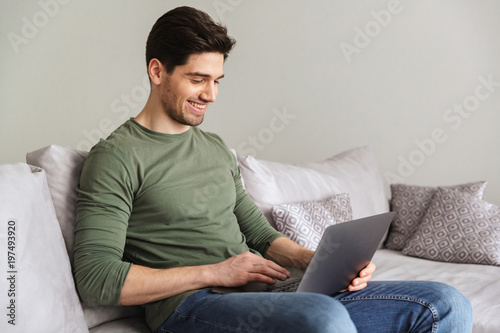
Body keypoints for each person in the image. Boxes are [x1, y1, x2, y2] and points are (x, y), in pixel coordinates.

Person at [74, 6, 473, 333]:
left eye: (217, 80)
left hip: (261, 293)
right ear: (158, 71)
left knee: (444, 302)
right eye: (198, 80)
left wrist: (316, 260)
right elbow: (96, 278)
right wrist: (217, 271)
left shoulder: (214, 149)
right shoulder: (116, 156)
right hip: (191, 308)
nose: (211, 95)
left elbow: (260, 235)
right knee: (324, 318)